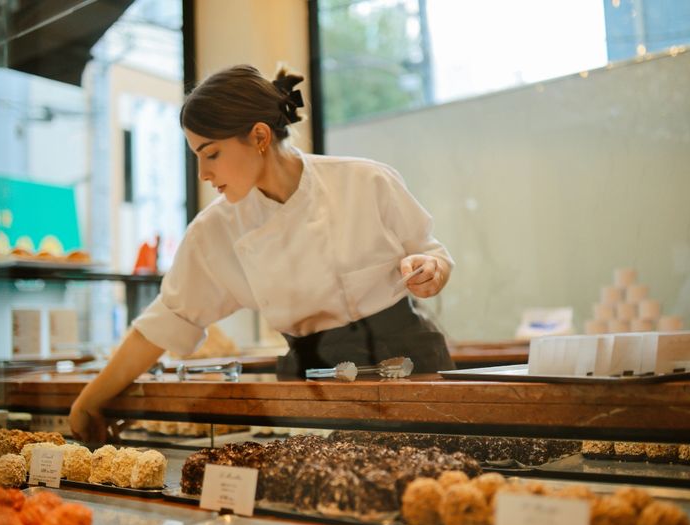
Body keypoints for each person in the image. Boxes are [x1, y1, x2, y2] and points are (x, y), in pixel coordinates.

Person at [69, 64, 455, 443]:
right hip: (314, 387)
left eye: (211, 153)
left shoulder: (364, 180)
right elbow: (164, 321)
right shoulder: (216, 229)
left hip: (409, 369)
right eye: (196, 156)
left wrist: (428, 271)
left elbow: (430, 254)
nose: (202, 172)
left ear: (258, 136)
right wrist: (89, 400)